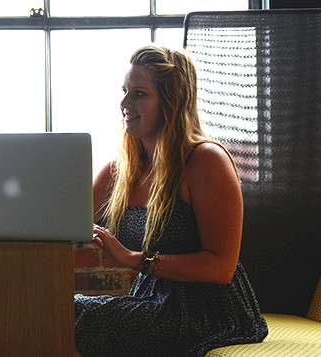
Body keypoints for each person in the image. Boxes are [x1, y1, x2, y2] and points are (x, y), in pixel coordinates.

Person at [74, 46, 268, 357]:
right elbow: (67, 221)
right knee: (59, 314)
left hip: (210, 312)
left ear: (171, 102)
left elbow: (221, 268)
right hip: (149, 302)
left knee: (78, 322)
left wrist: (134, 259)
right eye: (124, 91)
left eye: (139, 93)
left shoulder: (205, 160)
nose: (124, 103)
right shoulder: (120, 170)